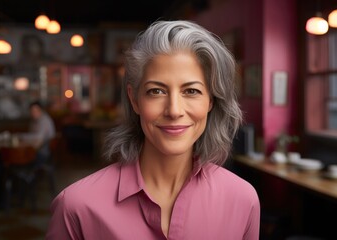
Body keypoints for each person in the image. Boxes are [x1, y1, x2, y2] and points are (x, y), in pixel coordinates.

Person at [46, 20, 260, 239]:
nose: (174, 110)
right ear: (134, 100)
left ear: (211, 101)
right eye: (156, 91)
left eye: (191, 91)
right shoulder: (76, 207)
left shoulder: (243, 200)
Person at [19, 100, 56, 166]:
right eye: (32, 111)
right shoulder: (33, 121)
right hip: (34, 150)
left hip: (42, 153)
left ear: (41, 110)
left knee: (21, 157)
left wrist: (22, 136)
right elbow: (32, 136)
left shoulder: (44, 120)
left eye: (36, 111)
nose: (34, 113)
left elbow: (38, 138)